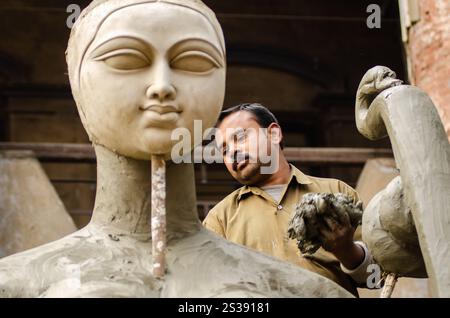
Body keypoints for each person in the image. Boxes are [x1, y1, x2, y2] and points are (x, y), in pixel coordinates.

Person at [203, 103, 375, 296]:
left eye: (241, 137)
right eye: (224, 150)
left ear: (274, 134)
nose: (232, 152)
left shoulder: (336, 191)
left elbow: (376, 279)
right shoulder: (219, 219)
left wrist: (346, 250)